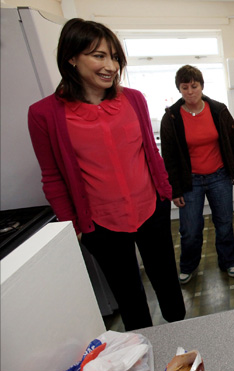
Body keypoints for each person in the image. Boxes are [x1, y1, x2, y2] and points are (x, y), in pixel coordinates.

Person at [28, 18, 185, 331]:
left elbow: (150, 152)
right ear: (71, 57)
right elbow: (52, 177)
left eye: (114, 57)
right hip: (101, 223)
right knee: (130, 298)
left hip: (151, 209)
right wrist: (74, 227)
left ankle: (182, 345)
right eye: (99, 56)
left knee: (168, 286)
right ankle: (146, 358)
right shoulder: (44, 113)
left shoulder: (134, 99)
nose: (111, 65)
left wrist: (164, 191)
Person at [160, 65, 234, 283]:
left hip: (219, 176)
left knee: (224, 223)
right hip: (190, 181)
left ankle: (228, 261)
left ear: (201, 86)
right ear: (179, 89)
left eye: (194, 86)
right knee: (190, 229)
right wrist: (174, 189)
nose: (190, 91)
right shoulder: (171, 117)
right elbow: (168, 157)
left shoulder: (218, 110)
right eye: (185, 87)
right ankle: (188, 266)